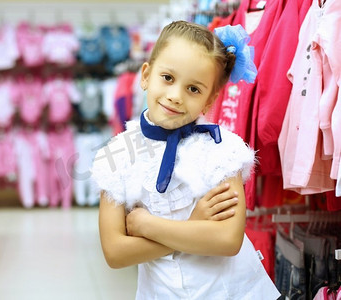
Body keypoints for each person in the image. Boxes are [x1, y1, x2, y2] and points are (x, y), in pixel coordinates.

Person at [92, 20, 280, 299]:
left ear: (209, 101)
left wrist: (148, 226)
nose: (176, 96)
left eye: (194, 89)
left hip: (232, 292)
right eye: (167, 78)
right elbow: (115, 252)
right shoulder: (116, 156)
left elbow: (228, 241)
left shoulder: (222, 150)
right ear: (146, 75)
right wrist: (193, 228)